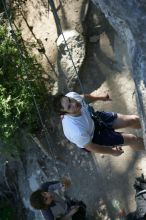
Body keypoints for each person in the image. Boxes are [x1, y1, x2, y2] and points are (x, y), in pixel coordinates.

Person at [53, 91, 145, 156]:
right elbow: (91, 147)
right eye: (69, 107)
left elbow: (84, 97)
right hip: (93, 137)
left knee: (134, 119)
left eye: (69, 100)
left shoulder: (72, 96)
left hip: (93, 119)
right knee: (133, 139)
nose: (74, 103)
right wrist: (112, 152)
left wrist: (100, 97)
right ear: (65, 114)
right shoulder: (76, 132)